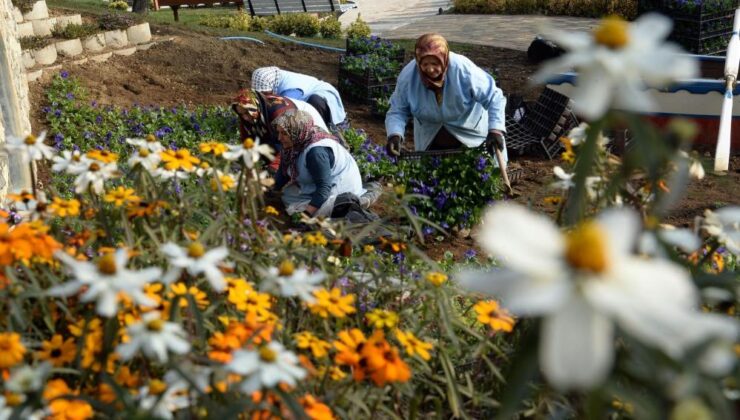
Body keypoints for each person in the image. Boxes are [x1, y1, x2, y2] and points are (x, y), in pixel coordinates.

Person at [385, 33, 507, 160]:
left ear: (444, 59)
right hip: (431, 136)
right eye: (425, 64)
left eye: (435, 63)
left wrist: (495, 130)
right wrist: (395, 134)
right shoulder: (408, 77)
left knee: (482, 172)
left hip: (470, 134)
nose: (430, 69)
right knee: (432, 175)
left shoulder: (462, 70)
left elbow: (494, 97)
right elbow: (397, 110)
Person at [270, 109, 368, 218]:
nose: (279, 138)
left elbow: (324, 187)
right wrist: (268, 190)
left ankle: (346, 204)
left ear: (296, 132)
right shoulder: (294, 144)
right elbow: (283, 173)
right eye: (278, 132)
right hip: (318, 182)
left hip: (338, 186)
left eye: (284, 133)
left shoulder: (316, 153)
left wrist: (306, 215)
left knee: (319, 212)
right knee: (288, 195)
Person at [231, 88, 328, 154]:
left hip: (305, 123)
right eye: (241, 114)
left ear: (255, 107)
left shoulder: (279, 113)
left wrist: (272, 170)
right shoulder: (251, 113)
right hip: (282, 129)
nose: (245, 118)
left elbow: (288, 144)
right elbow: (247, 141)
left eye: (247, 113)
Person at [251, 67, 347, 130]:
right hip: (307, 97)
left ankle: (322, 128)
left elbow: (287, 113)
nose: (264, 96)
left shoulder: (290, 91)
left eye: (266, 93)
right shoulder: (271, 79)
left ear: (272, 86)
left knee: (315, 102)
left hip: (325, 96)